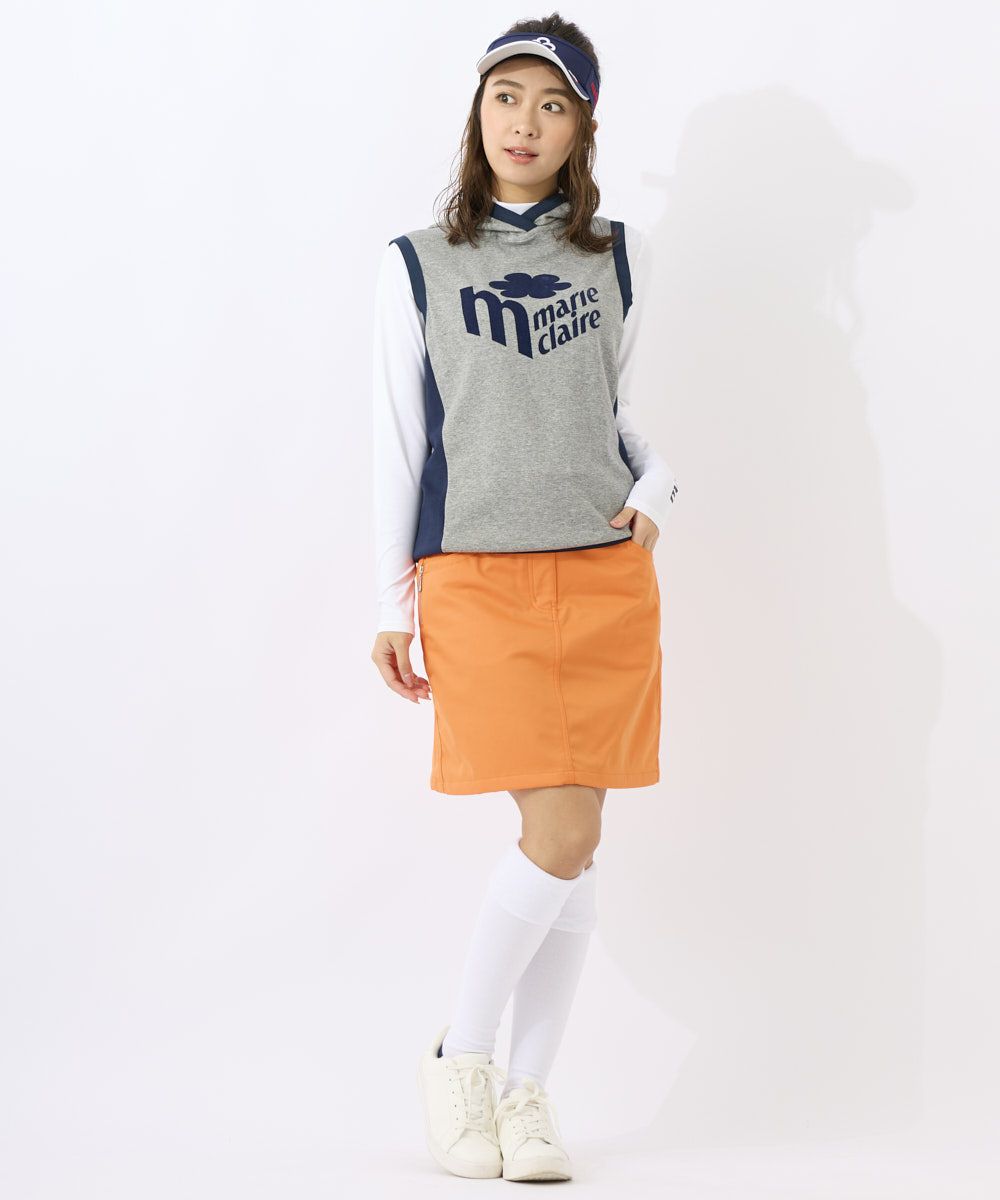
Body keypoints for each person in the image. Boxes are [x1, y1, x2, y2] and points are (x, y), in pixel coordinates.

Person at [370, 16, 679, 1183]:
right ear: (478, 108)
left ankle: (528, 1099)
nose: (525, 123)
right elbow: (398, 441)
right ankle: (463, 1056)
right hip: (477, 575)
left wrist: (658, 493)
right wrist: (390, 601)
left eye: (552, 105)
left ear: (581, 127)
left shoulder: (620, 256)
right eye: (507, 96)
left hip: (602, 573)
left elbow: (622, 415)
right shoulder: (414, 263)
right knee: (561, 834)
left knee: (576, 848)